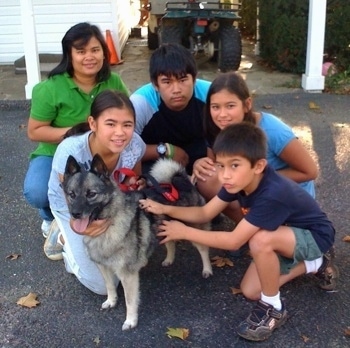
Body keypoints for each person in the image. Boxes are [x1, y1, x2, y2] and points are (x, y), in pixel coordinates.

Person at [139, 122, 338, 342]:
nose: (224, 175)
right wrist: (165, 208)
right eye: (221, 165)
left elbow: (234, 241)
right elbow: (205, 212)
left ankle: (274, 308)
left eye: (234, 165)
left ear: (258, 166)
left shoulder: (272, 193)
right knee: (251, 290)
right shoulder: (238, 182)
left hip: (314, 236)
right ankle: (316, 263)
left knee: (260, 240)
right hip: (286, 235)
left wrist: (184, 232)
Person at [23, 22, 129, 237]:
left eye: (95, 50)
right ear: (69, 55)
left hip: (101, 155)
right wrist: (77, 133)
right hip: (55, 155)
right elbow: (35, 131)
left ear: (104, 52)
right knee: (37, 191)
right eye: (81, 51)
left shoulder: (113, 81)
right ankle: (51, 218)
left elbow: (127, 115)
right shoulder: (49, 88)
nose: (89, 57)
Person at [46, 90, 146, 294]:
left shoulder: (135, 145)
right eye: (111, 124)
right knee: (102, 286)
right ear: (93, 124)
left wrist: (135, 183)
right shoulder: (70, 150)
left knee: (126, 265)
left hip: (108, 203)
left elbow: (133, 183)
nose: (120, 132)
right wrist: (76, 225)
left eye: (127, 124)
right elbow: (68, 195)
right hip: (71, 206)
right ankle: (62, 236)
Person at [192, 72, 318, 223]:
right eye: (215, 107)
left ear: (247, 105)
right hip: (253, 189)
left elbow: (310, 172)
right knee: (206, 177)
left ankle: (269, 232)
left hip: (287, 195)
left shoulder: (273, 130)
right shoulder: (215, 127)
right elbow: (214, 163)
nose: (222, 114)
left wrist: (256, 179)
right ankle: (246, 229)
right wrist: (200, 163)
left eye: (230, 106)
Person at [130, 43, 211, 174]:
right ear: (155, 84)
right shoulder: (141, 102)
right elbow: (122, 148)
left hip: (203, 162)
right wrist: (165, 150)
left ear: (194, 79)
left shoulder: (212, 95)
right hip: (155, 165)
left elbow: (234, 135)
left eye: (183, 80)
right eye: (167, 82)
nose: (176, 90)